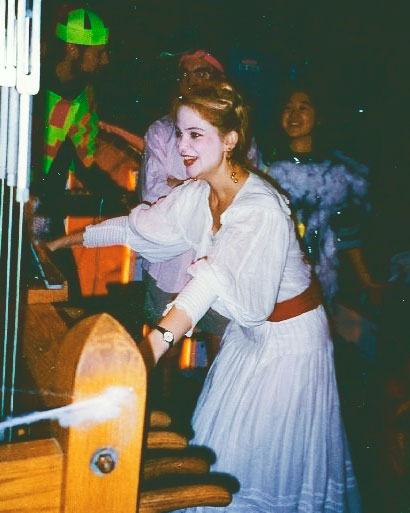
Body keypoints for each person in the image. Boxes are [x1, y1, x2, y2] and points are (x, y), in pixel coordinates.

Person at [48, 81, 362, 512]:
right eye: (180, 133)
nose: (182, 145)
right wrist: (63, 243)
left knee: (260, 464)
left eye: (197, 134)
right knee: (223, 444)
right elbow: (137, 228)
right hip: (249, 337)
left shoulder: (259, 208)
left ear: (230, 140)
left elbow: (205, 287)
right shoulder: (199, 194)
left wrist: (148, 350)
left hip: (293, 345)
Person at [261, 84, 383, 309]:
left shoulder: (334, 173)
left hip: (319, 282)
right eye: (288, 108)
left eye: (303, 108)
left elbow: (348, 232)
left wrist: (366, 280)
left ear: (318, 117)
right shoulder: (266, 166)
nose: (294, 115)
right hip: (274, 279)